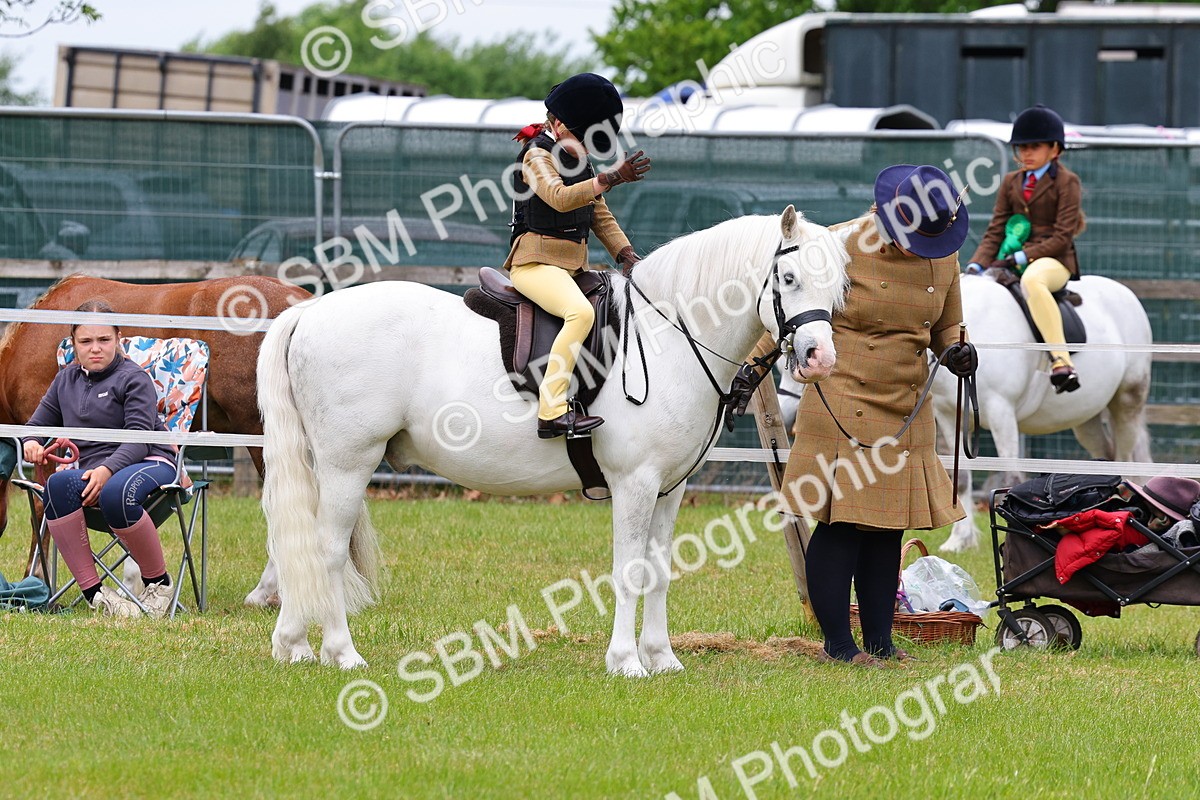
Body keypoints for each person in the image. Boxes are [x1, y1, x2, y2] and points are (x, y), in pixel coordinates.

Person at [779, 165, 977, 666]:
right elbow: (792, 308)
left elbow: (948, 327)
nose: (923, 249)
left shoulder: (944, 255)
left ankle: (880, 643)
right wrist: (752, 367)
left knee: (888, 529)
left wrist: (958, 351)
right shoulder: (837, 244)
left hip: (907, 408)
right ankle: (839, 647)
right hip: (842, 398)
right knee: (842, 525)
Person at [505, 72, 650, 439]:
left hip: (572, 266)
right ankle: (551, 410)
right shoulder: (536, 154)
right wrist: (611, 178)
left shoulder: (577, 157)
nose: (587, 148)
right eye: (582, 138)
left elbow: (598, 213)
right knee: (580, 312)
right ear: (559, 124)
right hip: (534, 264)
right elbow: (559, 197)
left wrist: (625, 253)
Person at [22, 300, 178, 617]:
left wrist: (107, 470)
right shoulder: (64, 380)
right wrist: (31, 442)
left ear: (118, 337)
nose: (96, 349)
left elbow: (138, 439)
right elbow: (37, 425)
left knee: (115, 491)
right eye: (86, 341)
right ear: (74, 344)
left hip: (150, 462)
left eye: (104, 340)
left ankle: (158, 586)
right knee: (55, 486)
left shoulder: (135, 379)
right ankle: (97, 596)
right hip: (94, 473)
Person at [966, 104, 1085, 393]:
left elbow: (1062, 236)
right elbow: (996, 229)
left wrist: (1023, 255)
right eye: (1022, 147)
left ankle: (1061, 360)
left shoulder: (1067, 182)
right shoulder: (1011, 182)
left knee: (1033, 280)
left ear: (1054, 149)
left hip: (1054, 260)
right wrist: (976, 264)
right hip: (1012, 259)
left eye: (1035, 146)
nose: (1026, 153)